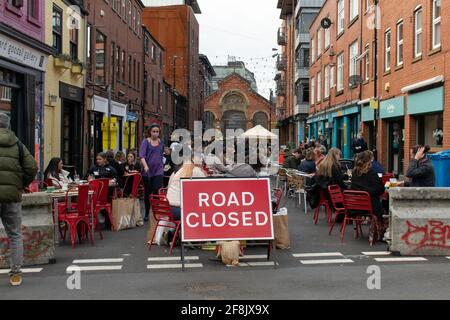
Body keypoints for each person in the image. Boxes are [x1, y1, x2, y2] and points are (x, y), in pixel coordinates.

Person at [0, 112, 37, 286]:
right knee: (15, 235)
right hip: (12, 196)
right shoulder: (18, 145)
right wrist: (20, 184)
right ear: (8, 125)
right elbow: (32, 167)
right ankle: (15, 274)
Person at [166, 156, 207, 221]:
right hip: (180, 210)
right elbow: (207, 187)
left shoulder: (179, 171)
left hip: (168, 208)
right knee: (205, 211)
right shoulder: (197, 171)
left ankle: (177, 229)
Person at [350, 151, 386, 221]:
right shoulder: (372, 173)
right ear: (369, 161)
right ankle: (382, 223)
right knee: (381, 202)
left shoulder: (354, 173)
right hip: (371, 206)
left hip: (355, 206)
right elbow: (380, 189)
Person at [139, 124, 165, 221]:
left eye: (157, 131)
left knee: (157, 190)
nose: (155, 133)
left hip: (158, 169)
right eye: (153, 131)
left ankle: (156, 211)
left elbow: (160, 154)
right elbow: (141, 155)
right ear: (150, 132)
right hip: (148, 171)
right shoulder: (146, 142)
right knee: (148, 192)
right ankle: (146, 212)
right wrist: (145, 165)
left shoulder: (161, 142)